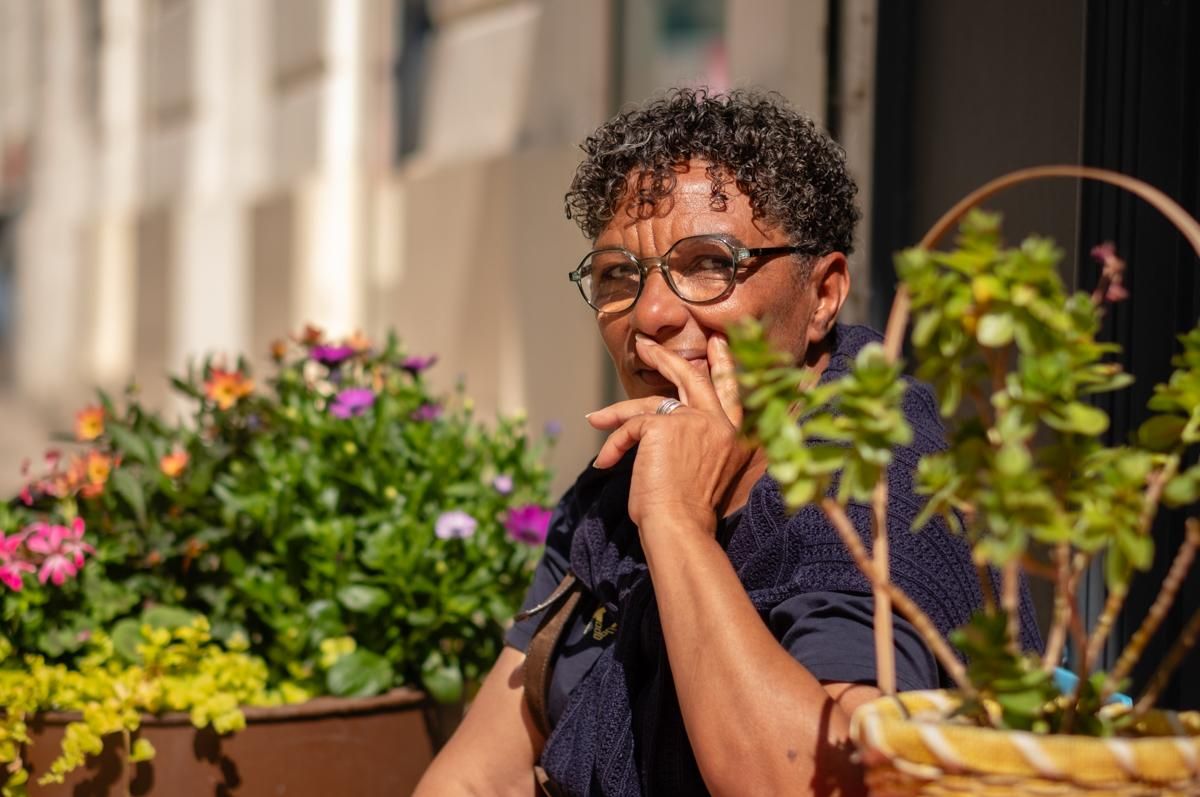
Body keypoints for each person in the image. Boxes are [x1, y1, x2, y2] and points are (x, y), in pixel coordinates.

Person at [415, 88, 1040, 797]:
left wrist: (680, 524)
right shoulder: (614, 491)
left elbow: (820, 784)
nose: (650, 313)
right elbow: (477, 779)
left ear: (824, 294)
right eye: (618, 275)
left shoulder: (875, 493)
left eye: (709, 263)